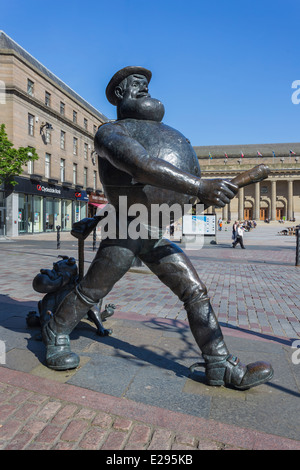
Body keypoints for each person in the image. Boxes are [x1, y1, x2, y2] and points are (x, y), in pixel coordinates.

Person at [42, 66, 273, 390]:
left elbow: (174, 193)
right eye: (137, 84)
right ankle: (56, 330)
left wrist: (202, 196)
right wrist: (199, 186)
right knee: (94, 289)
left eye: (147, 83)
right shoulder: (110, 132)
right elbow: (140, 165)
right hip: (128, 226)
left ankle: (219, 364)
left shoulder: (158, 130)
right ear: (120, 94)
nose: (145, 88)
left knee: (194, 291)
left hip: (153, 231)